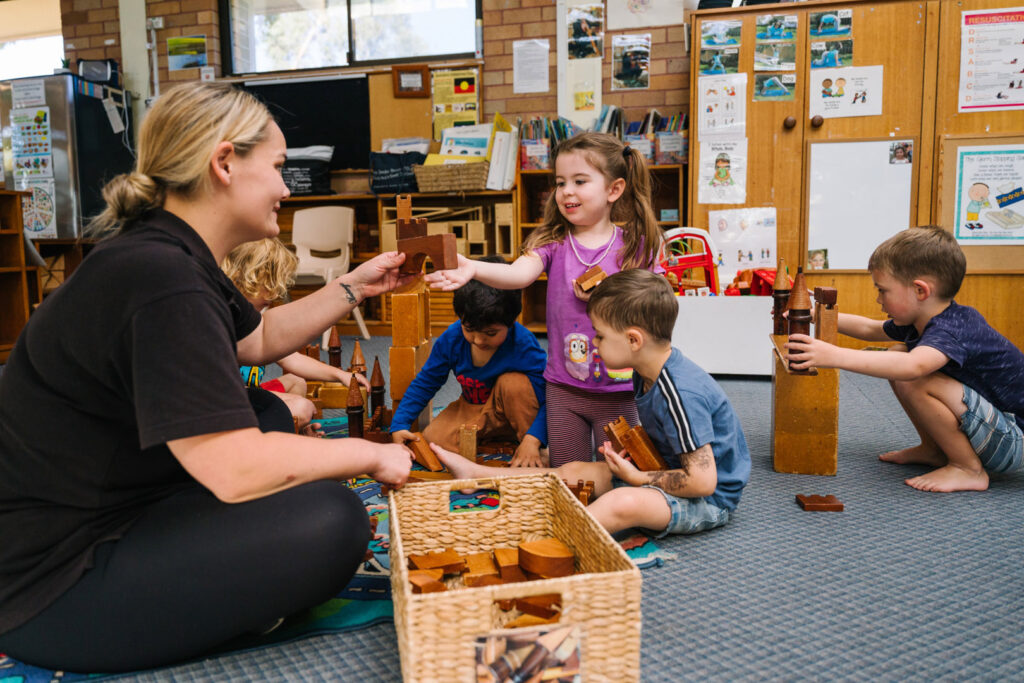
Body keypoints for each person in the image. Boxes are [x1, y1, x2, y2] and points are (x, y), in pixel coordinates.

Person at [0, 82, 415, 672]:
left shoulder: (169, 253)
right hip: (55, 588)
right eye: (275, 167)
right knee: (334, 519)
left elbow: (261, 339)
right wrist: (367, 457)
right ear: (224, 163)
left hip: (111, 508)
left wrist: (355, 285)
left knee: (265, 412)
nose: (282, 186)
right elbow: (236, 468)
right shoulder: (163, 280)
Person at [427, 269, 751, 537]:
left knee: (622, 502)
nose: (593, 345)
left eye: (599, 336)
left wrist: (637, 479)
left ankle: (543, 535)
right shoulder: (645, 371)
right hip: (663, 470)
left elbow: (703, 481)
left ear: (633, 340)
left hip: (708, 499)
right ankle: (477, 473)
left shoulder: (680, 392)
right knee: (572, 471)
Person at [426, 132, 664, 466]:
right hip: (564, 389)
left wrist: (612, 295)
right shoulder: (552, 241)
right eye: (560, 182)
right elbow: (517, 275)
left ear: (614, 189)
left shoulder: (636, 246)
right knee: (566, 475)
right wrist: (472, 268)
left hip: (619, 390)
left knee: (621, 471)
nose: (567, 191)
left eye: (580, 181)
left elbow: (655, 308)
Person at [787, 225, 1024, 493]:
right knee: (898, 352)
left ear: (920, 291)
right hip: (996, 429)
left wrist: (835, 355)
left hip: (1013, 439)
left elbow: (915, 367)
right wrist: (816, 315)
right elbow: (869, 329)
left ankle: (968, 469)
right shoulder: (920, 320)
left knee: (915, 376)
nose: (878, 299)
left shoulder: (951, 328)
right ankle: (934, 449)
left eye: (883, 290)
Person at [390, 256, 548, 467]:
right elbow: (426, 381)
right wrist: (399, 424)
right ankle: (495, 440)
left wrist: (532, 439)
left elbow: (550, 398)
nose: (479, 340)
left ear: (511, 322)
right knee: (432, 440)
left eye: (491, 333)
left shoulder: (524, 344)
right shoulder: (452, 337)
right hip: (473, 409)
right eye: (470, 330)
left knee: (514, 385)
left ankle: (527, 444)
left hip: (516, 411)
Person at [222, 237, 371, 428]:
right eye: (267, 284)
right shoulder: (222, 317)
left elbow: (290, 359)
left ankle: (288, 427)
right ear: (241, 277)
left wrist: (340, 375)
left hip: (248, 393)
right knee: (303, 408)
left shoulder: (250, 319)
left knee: (296, 382)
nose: (274, 294)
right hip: (228, 401)